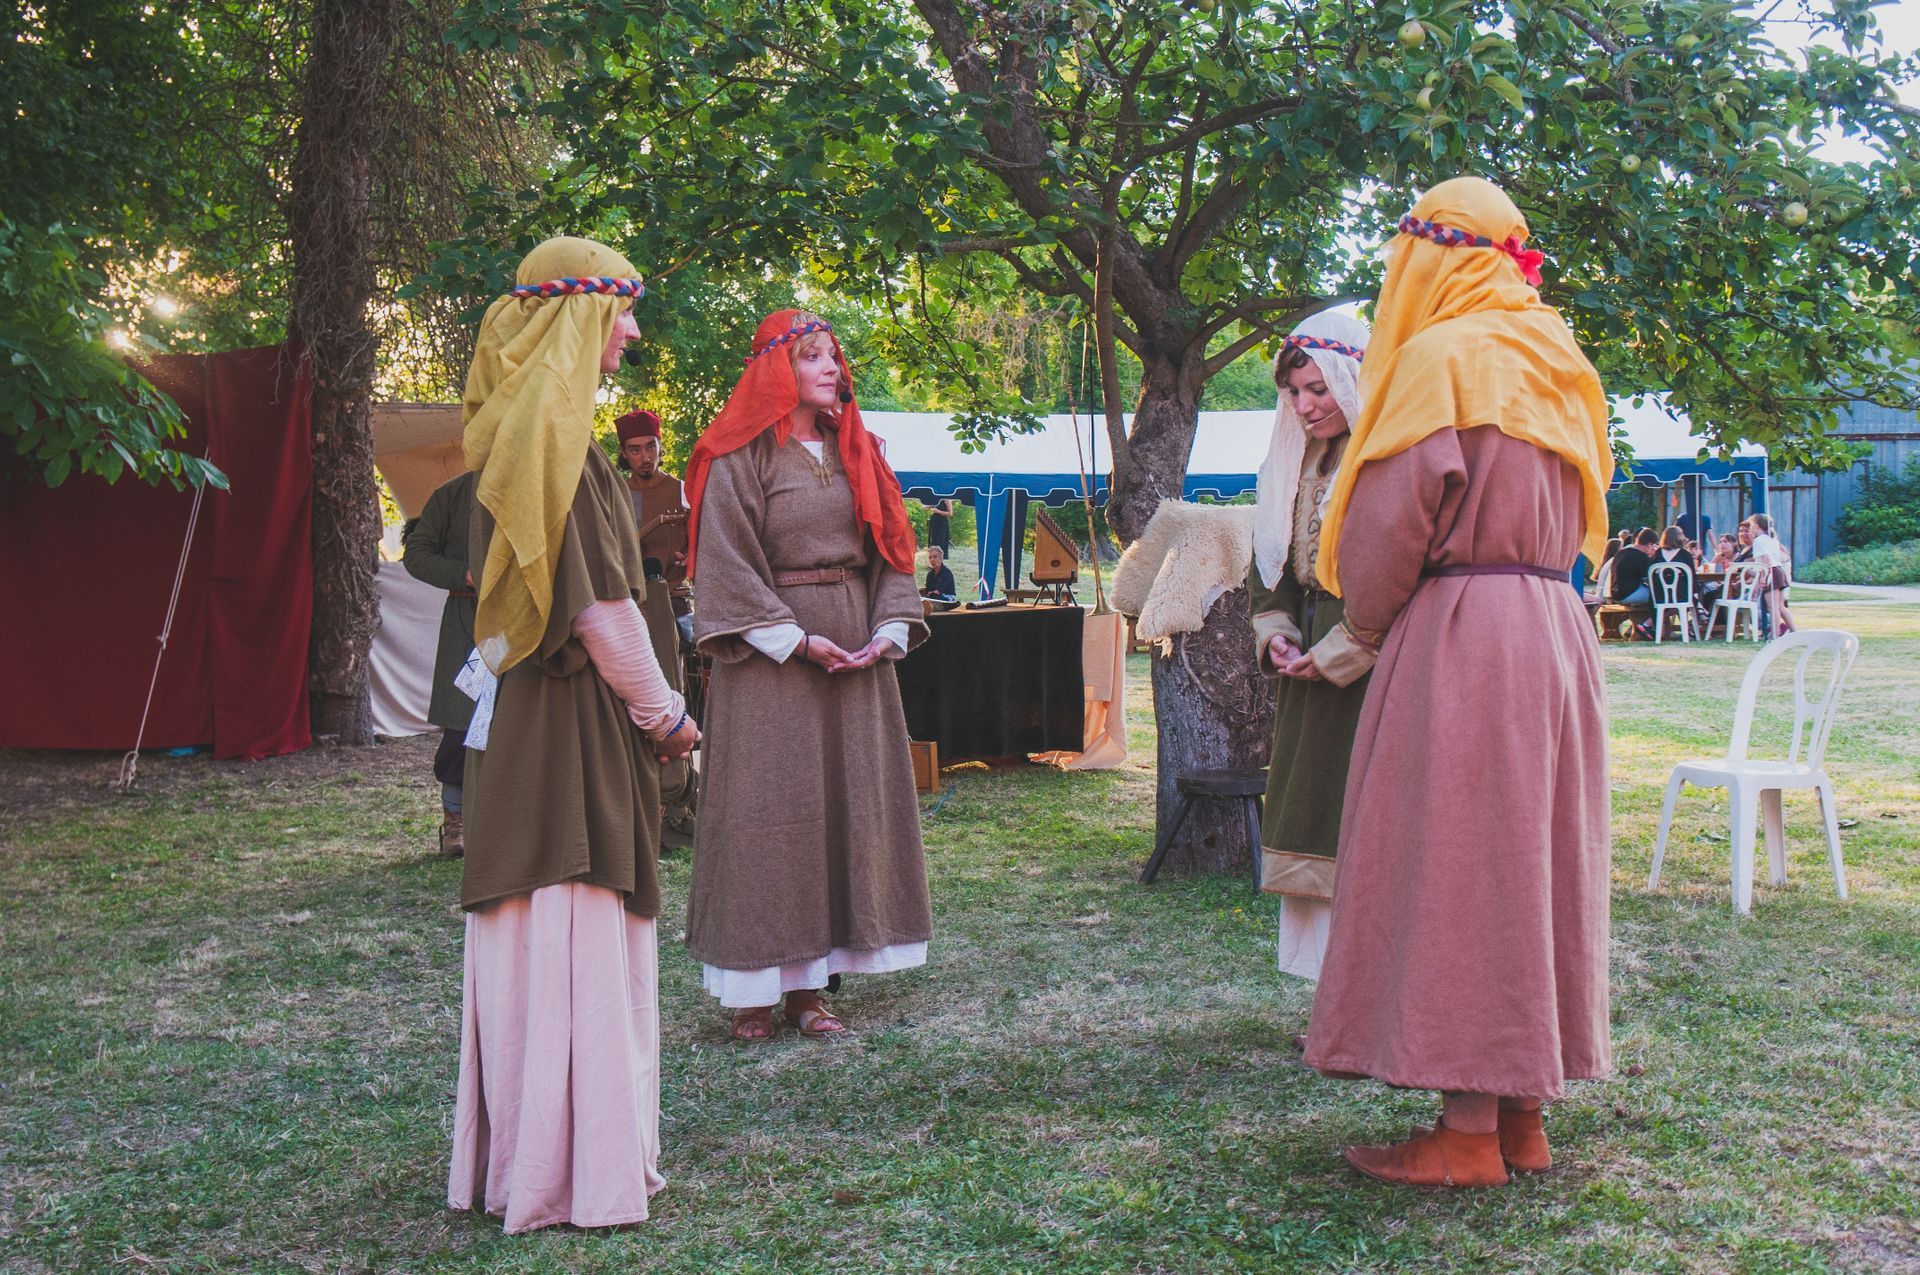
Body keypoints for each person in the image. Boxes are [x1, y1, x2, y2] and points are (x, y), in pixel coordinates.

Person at [1304, 177, 1612, 1188]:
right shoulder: (1558, 354)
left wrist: (1363, 625)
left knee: (1466, 869)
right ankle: (1523, 1116)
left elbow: (1394, 527)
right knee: (1529, 862)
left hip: (1468, 630)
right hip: (1553, 628)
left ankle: (1467, 1135)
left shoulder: (1441, 358)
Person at [447, 237, 699, 1232]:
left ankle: (524, 1168)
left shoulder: (507, 437)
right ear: (574, 320)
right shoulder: (564, 453)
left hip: (514, 733)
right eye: (620, 313)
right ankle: (572, 1174)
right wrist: (669, 716)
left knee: (528, 935)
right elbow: (603, 618)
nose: (631, 331)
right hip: (571, 735)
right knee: (575, 922)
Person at [685, 310, 932, 1041]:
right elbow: (724, 562)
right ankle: (754, 992)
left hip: (854, 652)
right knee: (767, 816)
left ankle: (812, 990)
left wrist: (886, 630)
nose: (832, 369)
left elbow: (892, 545)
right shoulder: (739, 457)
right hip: (771, 661)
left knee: (838, 813)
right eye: (813, 357)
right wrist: (794, 640)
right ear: (776, 371)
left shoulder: (861, 449)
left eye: (834, 357)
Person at [1245, 311, 1375, 982]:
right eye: (1295, 391)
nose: (1306, 405)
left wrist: (1341, 650)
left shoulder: (1381, 457)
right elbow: (1271, 565)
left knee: (1362, 823)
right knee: (1307, 815)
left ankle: (1365, 996)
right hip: (1307, 671)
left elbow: (1394, 572)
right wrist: (1279, 632)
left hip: (1372, 674)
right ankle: (1327, 994)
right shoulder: (1294, 461)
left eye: (1319, 389)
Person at [616, 407, 699, 844]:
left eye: (651, 447)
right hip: (627, 609)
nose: (645, 456)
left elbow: (701, 539)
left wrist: (691, 554)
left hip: (675, 604)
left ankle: (677, 800)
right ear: (624, 453)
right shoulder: (615, 493)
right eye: (635, 450)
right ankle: (635, 798)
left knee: (677, 690)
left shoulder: (682, 493)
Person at [402, 470, 479, 856]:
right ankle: (455, 819)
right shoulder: (452, 495)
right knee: (461, 730)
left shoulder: (535, 486)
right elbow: (416, 554)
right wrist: (462, 573)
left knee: (522, 726)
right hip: (468, 626)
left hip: (526, 626)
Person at [1746, 512, 1796, 636]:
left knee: (1772, 607)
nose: (1750, 528)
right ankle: (1794, 631)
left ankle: (1774, 635)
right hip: (1778, 570)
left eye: (1751, 525)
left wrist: (1763, 576)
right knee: (1780, 606)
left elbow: (1766, 559)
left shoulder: (1759, 541)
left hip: (1771, 571)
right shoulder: (1772, 539)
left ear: (1757, 526)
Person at [1609, 528, 1658, 605]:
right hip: (1628, 594)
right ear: (1649, 545)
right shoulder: (1640, 556)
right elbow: (1651, 580)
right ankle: (1653, 617)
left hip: (1616, 594)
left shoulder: (1621, 552)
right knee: (1661, 595)